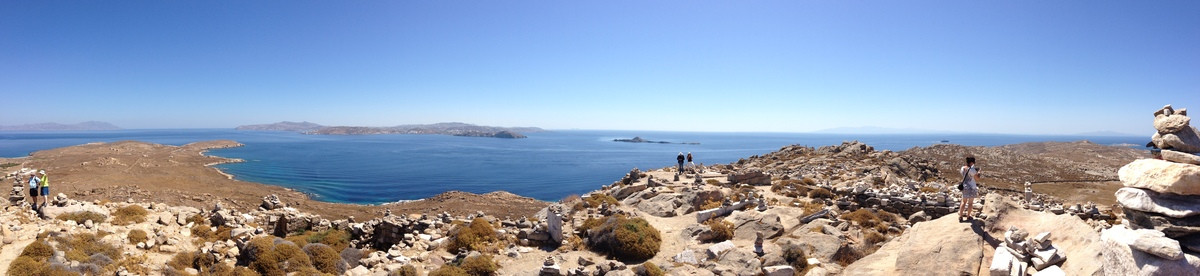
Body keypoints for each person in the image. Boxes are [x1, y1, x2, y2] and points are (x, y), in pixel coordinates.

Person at [958, 156, 981, 221]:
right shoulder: (972, 170)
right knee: (970, 203)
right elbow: (977, 178)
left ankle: (960, 216)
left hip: (965, 187)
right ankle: (968, 216)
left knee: (963, 202)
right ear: (971, 162)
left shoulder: (962, 168)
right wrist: (978, 172)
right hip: (972, 187)